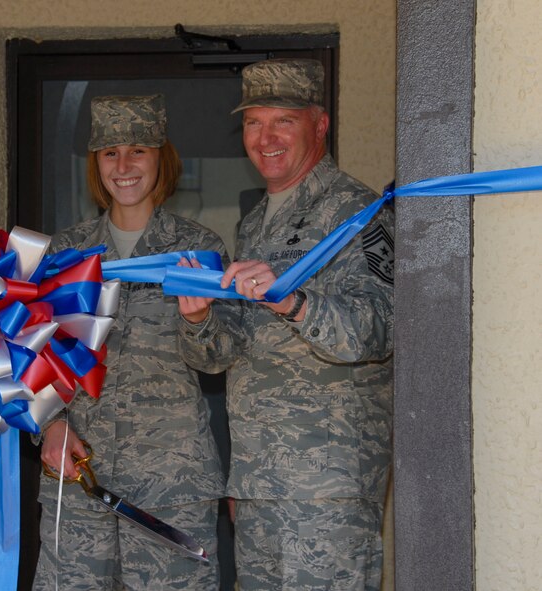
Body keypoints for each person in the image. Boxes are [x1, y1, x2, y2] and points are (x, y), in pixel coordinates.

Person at [177, 59, 394, 590]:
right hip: (259, 483)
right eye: (253, 122)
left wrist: (294, 301)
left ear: (319, 125)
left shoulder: (356, 213)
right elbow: (229, 353)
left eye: (283, 121)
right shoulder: (255, 222)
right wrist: (200, 319)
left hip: (326, 484)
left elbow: (379, 331)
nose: (265, 137)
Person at [33, 94, 227, 590]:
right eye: (109, 152)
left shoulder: (197, 250)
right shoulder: (65, 253)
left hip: (170, 481)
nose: (123, 166)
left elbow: (218, 362)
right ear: (95, 164)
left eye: (138, 150)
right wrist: (50, 427)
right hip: (79, 478)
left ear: (162, 158)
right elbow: (35, 355)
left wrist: (200, 319)